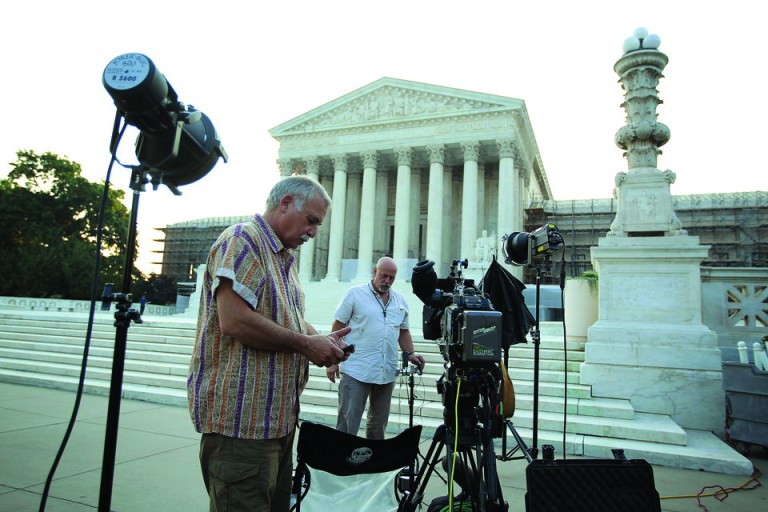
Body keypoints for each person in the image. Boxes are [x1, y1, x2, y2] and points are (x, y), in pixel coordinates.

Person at [187, 175, 352, 512]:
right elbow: (233, 319)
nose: (313, 232)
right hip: (242, 427)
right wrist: (306, 346)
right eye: (311, 221)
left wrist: (319, 340)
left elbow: (287, 317)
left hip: (276, 425)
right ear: (286, 203)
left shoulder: (283, 261)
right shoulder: (242, 240)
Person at [326, 257, 425, 439]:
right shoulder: (354, 294)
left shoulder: (400, 301)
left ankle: (373, 462)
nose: (387, 281)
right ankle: (342, 463)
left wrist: (410, 353)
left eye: (391, 278)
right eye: (384, 276)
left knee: (378, 423)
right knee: (348, 421)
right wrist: (332, 361)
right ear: (374, 271)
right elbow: (338, 326)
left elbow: (403, 332)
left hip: (386, 372)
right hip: (356, 369)